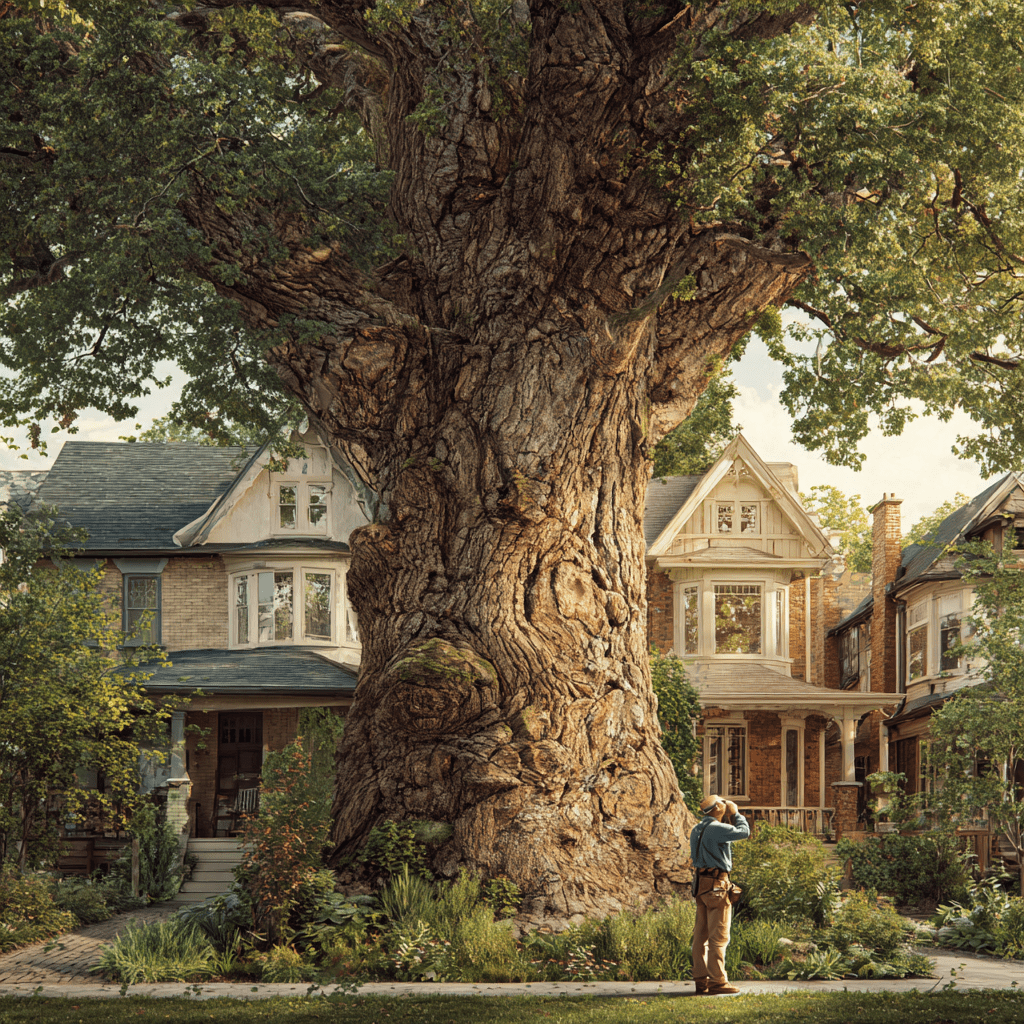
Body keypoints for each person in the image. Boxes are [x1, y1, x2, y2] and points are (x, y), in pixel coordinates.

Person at [689, 793, 750, 995]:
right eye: (722, 803)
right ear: (716, 809)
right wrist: (736, 813)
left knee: (700, 936)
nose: (725, 805)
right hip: (717, 886)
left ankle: (700, 979)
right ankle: (717, 982)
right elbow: (744, 832)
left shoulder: (697, 828)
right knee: (719, 936)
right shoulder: (716, 828)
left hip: (701, 886)